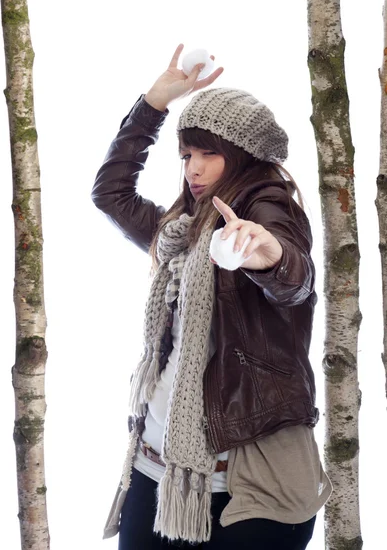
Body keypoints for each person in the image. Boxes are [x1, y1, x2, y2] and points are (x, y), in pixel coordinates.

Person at [91, 44, 332, 550]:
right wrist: (152, 105)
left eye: (209, 154)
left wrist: (268, 256)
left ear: (242, 156)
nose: (193, 170)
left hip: (245, 489)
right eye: (187, 155)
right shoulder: (184, 230)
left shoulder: (266, 210)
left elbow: (295, 280)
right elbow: (111, 195)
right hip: (156, 473)